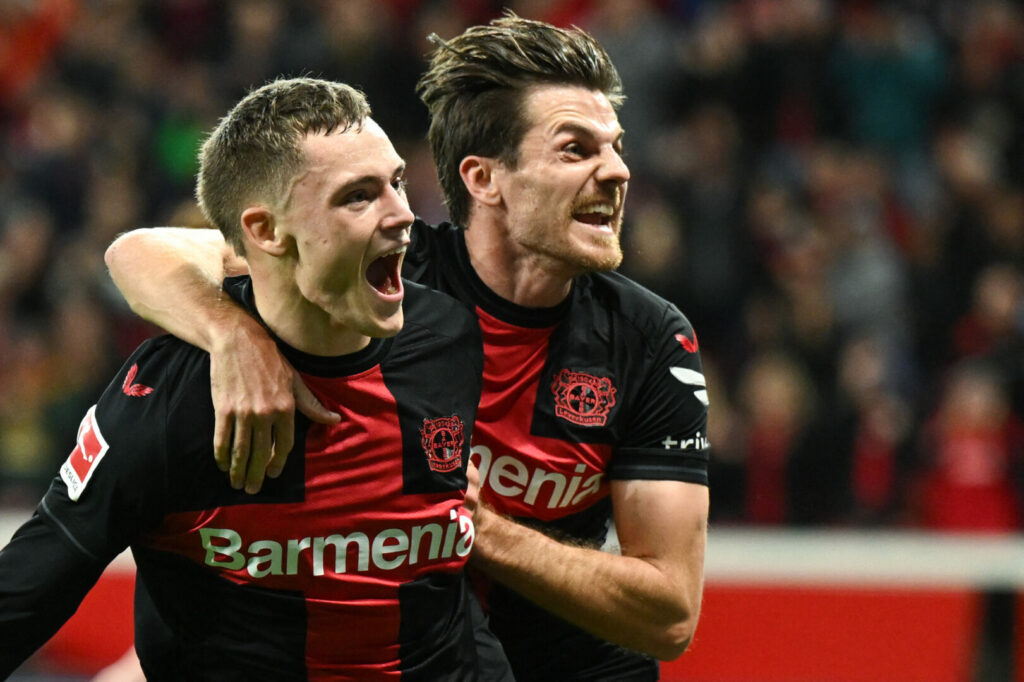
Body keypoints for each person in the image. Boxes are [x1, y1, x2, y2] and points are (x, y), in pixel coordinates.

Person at [105, 15, 710, 681]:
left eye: (616, 147)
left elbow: (670, 615)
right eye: (576, 150)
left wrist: (473, 525)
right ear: (483, 179)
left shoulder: (650, 338)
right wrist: (234, 336)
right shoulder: (381, 276)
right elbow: (140, 253)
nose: (618, 171)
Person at [0, 77, 493, 681]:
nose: (404, 214)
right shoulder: (169, 399)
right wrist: (232, 334)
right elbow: (26, 593)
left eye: (396, 182)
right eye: (358, 197)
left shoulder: (448, 334)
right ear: (264, 232)